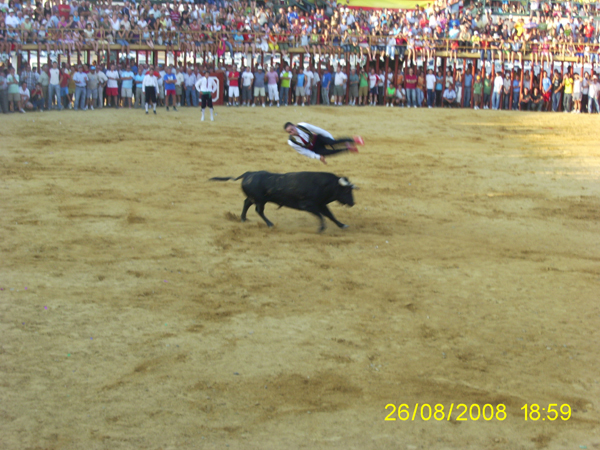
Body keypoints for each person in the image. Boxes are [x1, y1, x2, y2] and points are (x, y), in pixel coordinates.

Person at [284, 122, 363, 164]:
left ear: (294, 126)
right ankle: (348, 148)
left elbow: (318, 130)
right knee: (329, 152)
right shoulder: (292, 142)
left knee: (333, 142)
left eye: (292, 129)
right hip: (314, 149)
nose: (292, 132)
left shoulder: (303, 125)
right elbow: (304, 152)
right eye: (289, 132)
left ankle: (354, 140)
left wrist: (330, 139)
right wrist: (317, 157)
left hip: (318, 139)